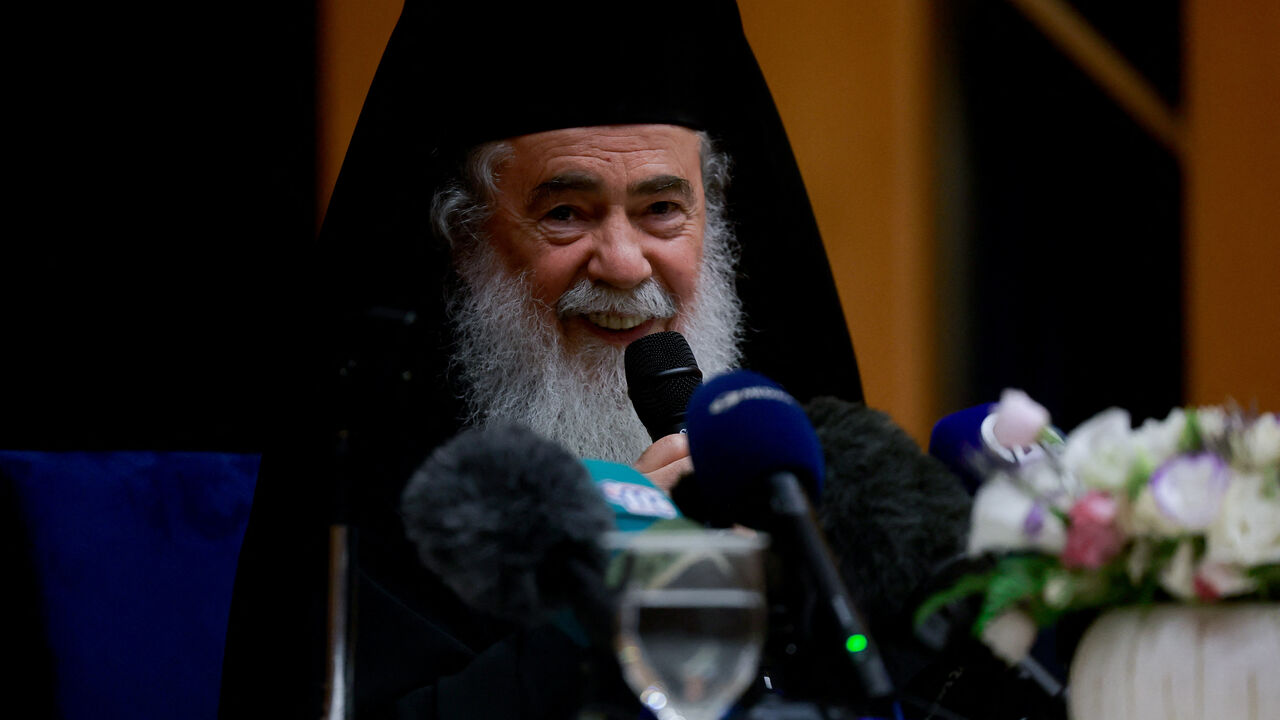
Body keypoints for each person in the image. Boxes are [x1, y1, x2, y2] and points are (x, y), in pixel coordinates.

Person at [219, 2, 862, 718]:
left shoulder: (785, 468)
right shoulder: (373, 482)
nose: (623, 264)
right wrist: (613, 603)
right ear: (465, 240)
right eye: (565, 214)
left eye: (661, 211)